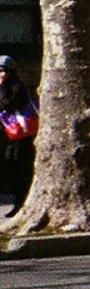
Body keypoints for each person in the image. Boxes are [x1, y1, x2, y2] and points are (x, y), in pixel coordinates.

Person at [0, 56, 33, 216]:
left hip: (21, 135)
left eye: (2, 71)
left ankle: (21, 201)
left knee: (19, 165)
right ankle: (17, 200)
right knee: (10, 165)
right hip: (9, 134)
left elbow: (8, 105)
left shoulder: (17, 88)